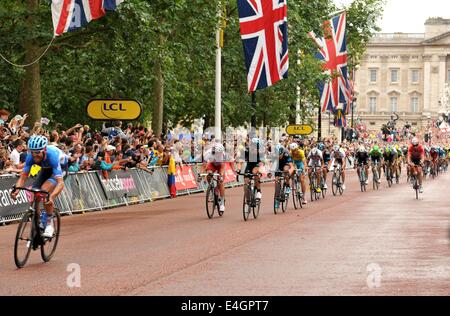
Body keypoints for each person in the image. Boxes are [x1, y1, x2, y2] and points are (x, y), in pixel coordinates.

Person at [10, 135, 68, 238]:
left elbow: (60, 183)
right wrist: (17, 190)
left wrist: (51, 197)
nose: (34, 155)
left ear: (44, 150)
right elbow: (23, 177)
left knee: (44, 191)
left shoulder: (52, 156)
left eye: (37, 152)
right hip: (46, 169)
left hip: (60, 169)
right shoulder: (30, 157)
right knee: (34, 192)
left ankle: (49, 223)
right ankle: (38, 221)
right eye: (32, 152)